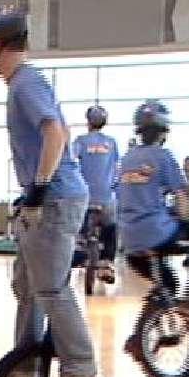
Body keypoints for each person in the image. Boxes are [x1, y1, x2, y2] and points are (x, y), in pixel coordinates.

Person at [0, 5, 99, 377]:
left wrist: (41, 186)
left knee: (50, 287)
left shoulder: (25, 83)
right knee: (26, 284)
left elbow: (55, 133)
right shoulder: (23, 84)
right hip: (51, 196)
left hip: (56, 199)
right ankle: (25, 368)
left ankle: (82, 371)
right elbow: (58, 132)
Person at [118, 101, 189, 329]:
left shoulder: (126, 160)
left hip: (129, 241)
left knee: (168, 284)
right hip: (157, 234)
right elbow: (182, 199)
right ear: (164, 131)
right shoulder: (163, 156)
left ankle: (140, 336)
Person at [72, 105, 120, 283]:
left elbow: (71, 161)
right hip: (106, 195)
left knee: (76, 225)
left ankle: (80, 247)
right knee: (111, 228)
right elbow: (117, 168)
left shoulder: (80, 141)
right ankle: (107, 263)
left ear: (88, 121)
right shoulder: (112, 143)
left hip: (84, 194)